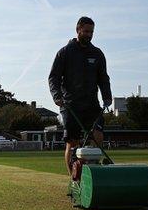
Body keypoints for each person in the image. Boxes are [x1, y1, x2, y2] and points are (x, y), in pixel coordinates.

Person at [48, 16, 112, 175]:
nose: (89, 35)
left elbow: (103, 78)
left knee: (97, 136)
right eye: (86, 31)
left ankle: (94, 173)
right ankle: (74, 179)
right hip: (70, 104)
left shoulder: (97, 54)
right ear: (78, 30)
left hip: (91, 104)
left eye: (92, 32)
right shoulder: (65, 52)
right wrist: (57, 96)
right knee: (73, 143)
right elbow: (53, 77)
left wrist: (107, 97)